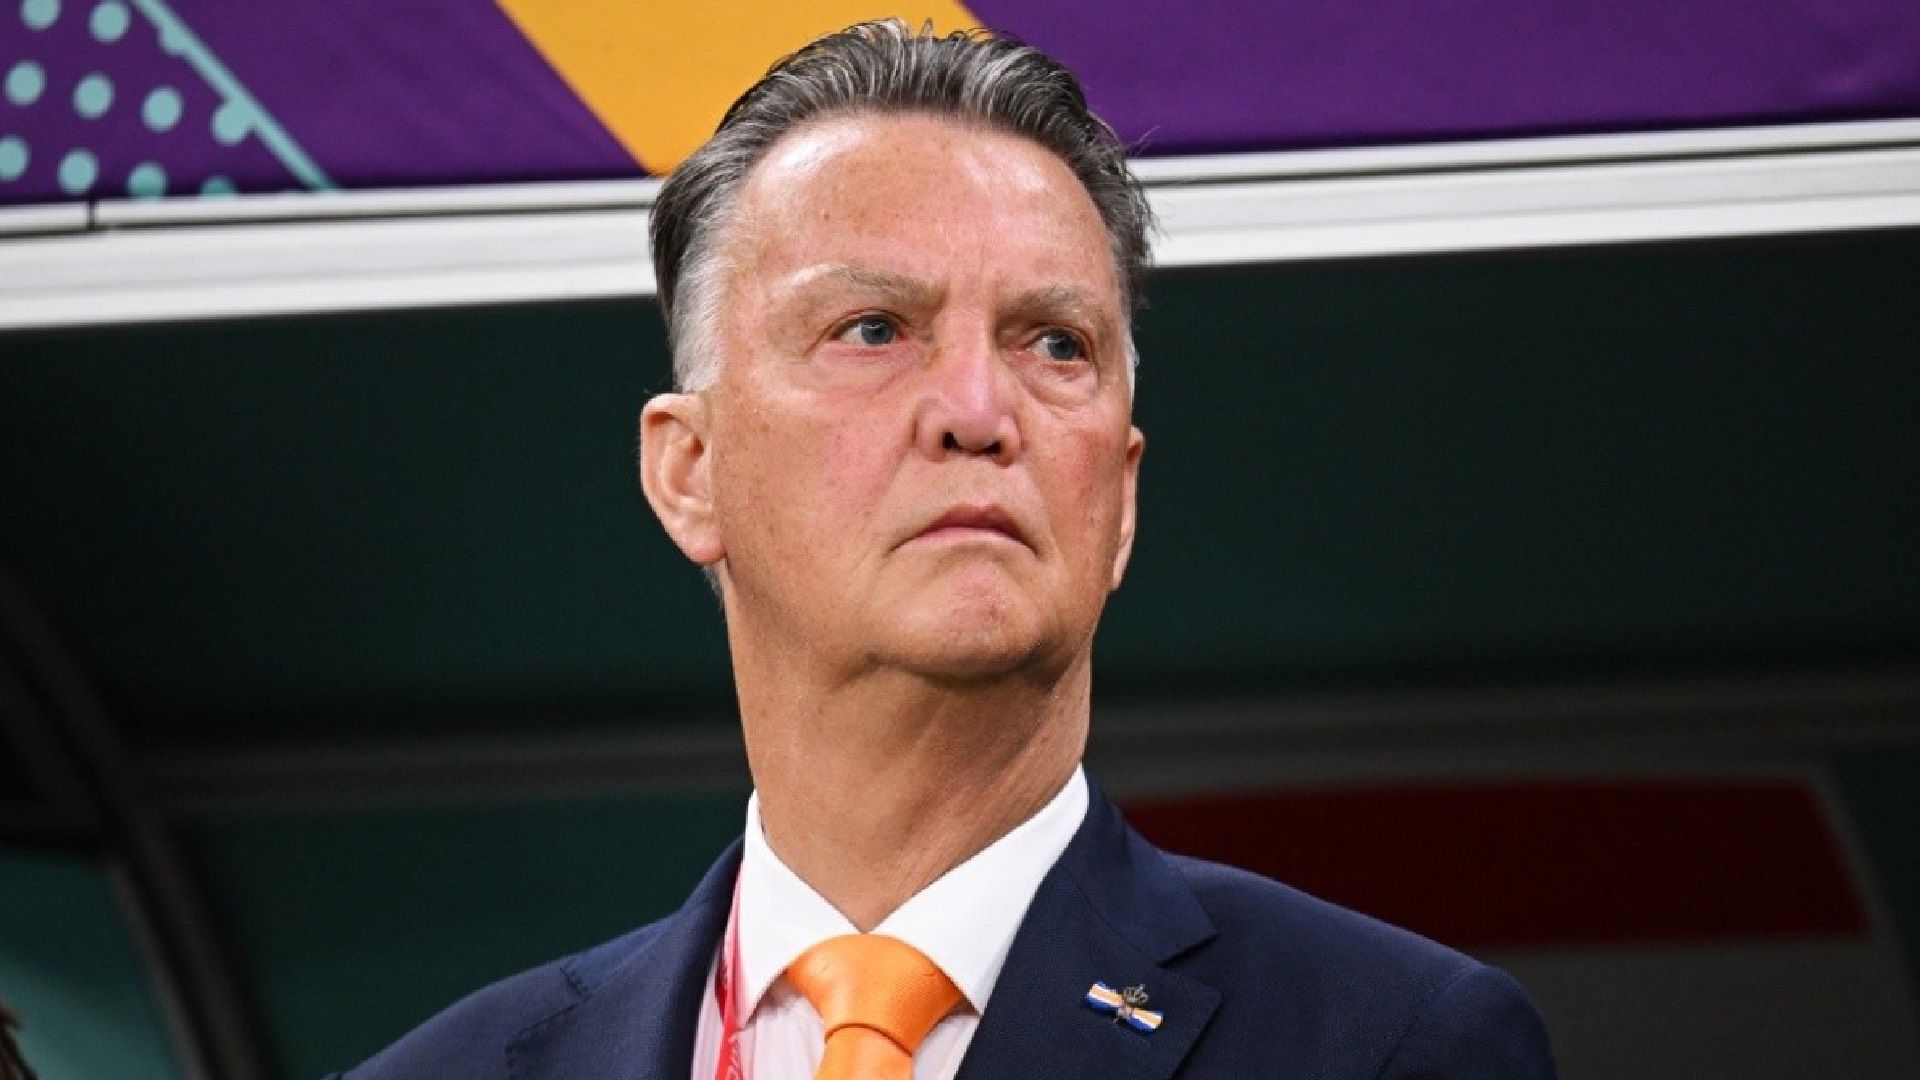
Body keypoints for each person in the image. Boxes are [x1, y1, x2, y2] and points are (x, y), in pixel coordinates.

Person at [333, 20, 1556, 1080]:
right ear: (689, 471)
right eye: (873, 329)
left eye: (1055, 343)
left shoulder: (1392, 1043)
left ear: (1121, 498)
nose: (979, 409)